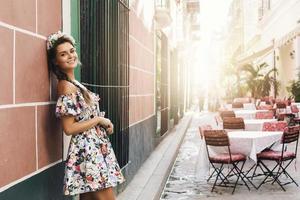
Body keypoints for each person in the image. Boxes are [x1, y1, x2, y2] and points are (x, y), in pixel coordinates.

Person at [46, 31, 125, 200]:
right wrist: (98, 120)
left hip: (94, 149)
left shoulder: (74, 84)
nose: (70, 56)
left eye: (71, 51)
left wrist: (104, 123)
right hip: (88, 152)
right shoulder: (66, 87)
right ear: (55, 61)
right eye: (63, 54)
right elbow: (68, 128)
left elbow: (84, 116)